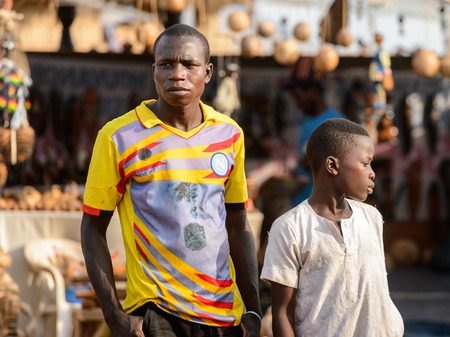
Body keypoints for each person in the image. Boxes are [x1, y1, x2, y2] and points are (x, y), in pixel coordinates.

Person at [80, 23, 262, 337]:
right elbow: (92, 227)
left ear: (207, 72)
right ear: (154, 70)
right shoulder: (118, 136)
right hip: (155, 315)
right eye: (166, 64)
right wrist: (114, 317)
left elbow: (237, 223)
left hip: (223, 317)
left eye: (189, 64)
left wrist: (254, 309)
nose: (176, 74)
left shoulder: (230, 134)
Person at [260, 118, 404, 337]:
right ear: (333, 165)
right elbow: (282, 313)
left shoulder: (371, 217)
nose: (372, 172)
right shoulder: (290, 228)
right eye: (365, 163)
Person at [287, 57, 345, 206]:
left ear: (313, 91)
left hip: (324, 211)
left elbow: (345, 168)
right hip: (302, 207)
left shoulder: (337, 123)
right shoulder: (306, 122)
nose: (296, 102)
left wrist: (315, 163)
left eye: (298, 96)